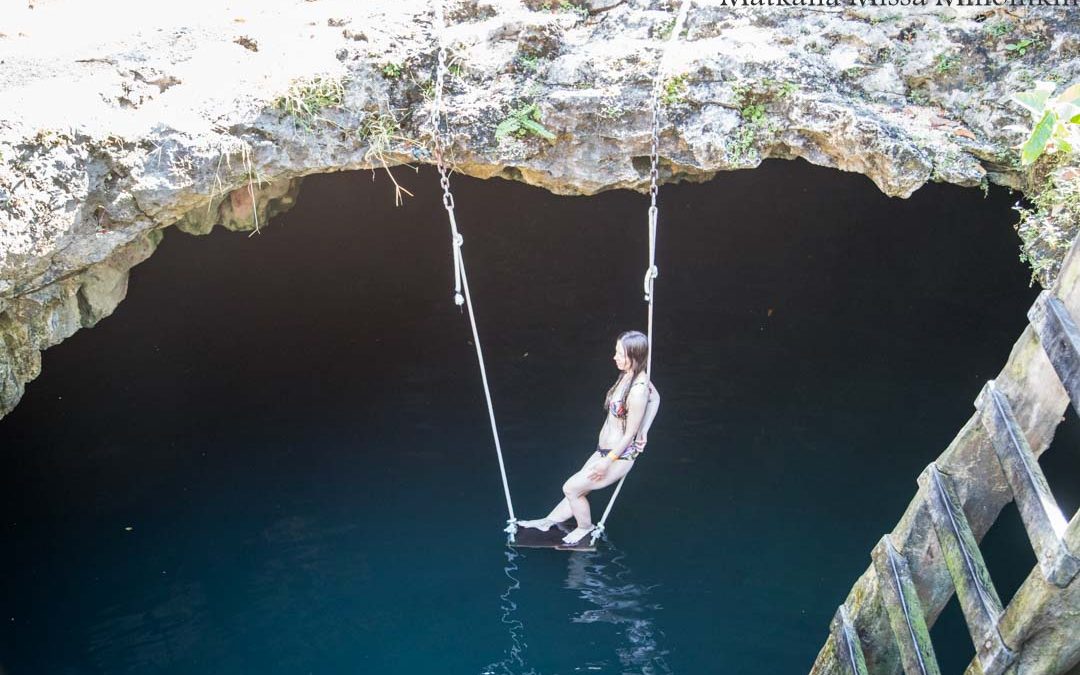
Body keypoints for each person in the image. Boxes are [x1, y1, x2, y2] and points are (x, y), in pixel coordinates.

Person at [518, 331, 660, 545]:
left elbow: (630, 432)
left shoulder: (639, 390)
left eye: (620, 353)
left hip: (617, 456)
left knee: (571, 488)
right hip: (603, 451)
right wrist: (645, 429)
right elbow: (657, 397)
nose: (615, 357)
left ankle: (585, 527)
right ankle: (547, 521)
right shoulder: (628, 374)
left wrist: (609, 459)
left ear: (635, 356)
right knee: (578, 488)